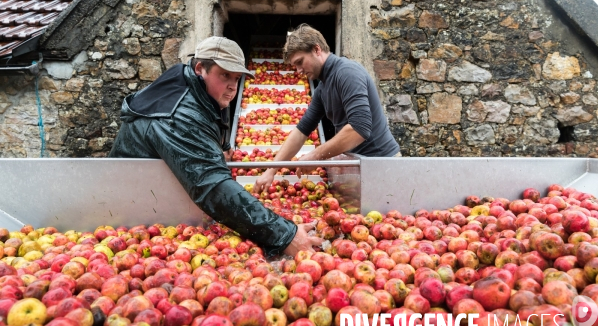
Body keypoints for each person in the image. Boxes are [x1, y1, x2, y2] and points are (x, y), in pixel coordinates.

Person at [109, 36, 323, 257]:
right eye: (225, 75)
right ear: (201, 68)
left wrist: (222, 147)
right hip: (129, 218)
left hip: (157, 205)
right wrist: (285, 235)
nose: (232, 85)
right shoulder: (177, 116)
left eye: (237, 77)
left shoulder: (197, 88)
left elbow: (212, 122)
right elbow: (211, 186)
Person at [254, 24, 400, 193]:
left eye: (300, 62)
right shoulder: (322, 89)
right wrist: (270, 171)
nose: (299, 70)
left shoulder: (347, 73)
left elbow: (359, 128)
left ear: (317, 49)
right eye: (295, 66)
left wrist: (315, 156)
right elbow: (301, 131)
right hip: (361, 165)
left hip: (382, 165)